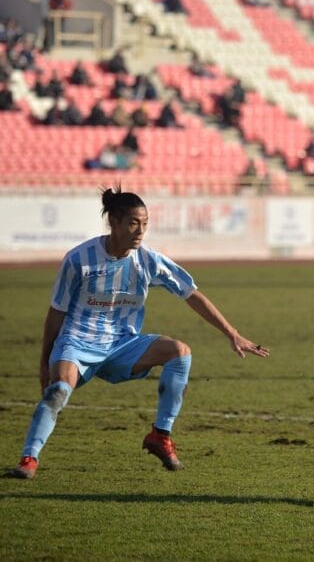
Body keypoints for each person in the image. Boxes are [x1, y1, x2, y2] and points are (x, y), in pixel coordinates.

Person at [7, 187, 270, 480]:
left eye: (145, 223)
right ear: (114, 222)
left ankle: (160, 435)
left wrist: (232, 333)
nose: (140, 230)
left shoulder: (148, 261)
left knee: (179, 352)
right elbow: (56, 313)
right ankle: (29, 459)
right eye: (133, 222)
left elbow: (192, 295)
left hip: (123, 345)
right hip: (77, 342)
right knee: (57, 391)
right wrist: (44, 363)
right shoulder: (79, 260)